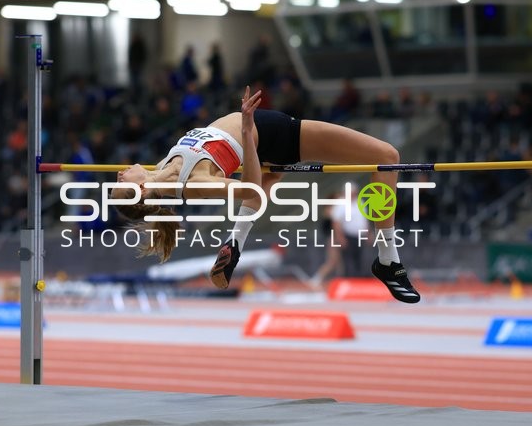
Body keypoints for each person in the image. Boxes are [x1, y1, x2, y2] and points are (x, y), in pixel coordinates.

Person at [112, 87, 421, 304]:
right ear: (139, 190)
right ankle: (387, 259)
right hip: (275, 135)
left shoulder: (160, 169)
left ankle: (235, 244)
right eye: (119, 181)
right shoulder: (191, 183)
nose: (119, 173)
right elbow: (251, 190)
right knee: (387, 156)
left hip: (263, 139)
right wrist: (246, 131)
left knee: (272, 178)